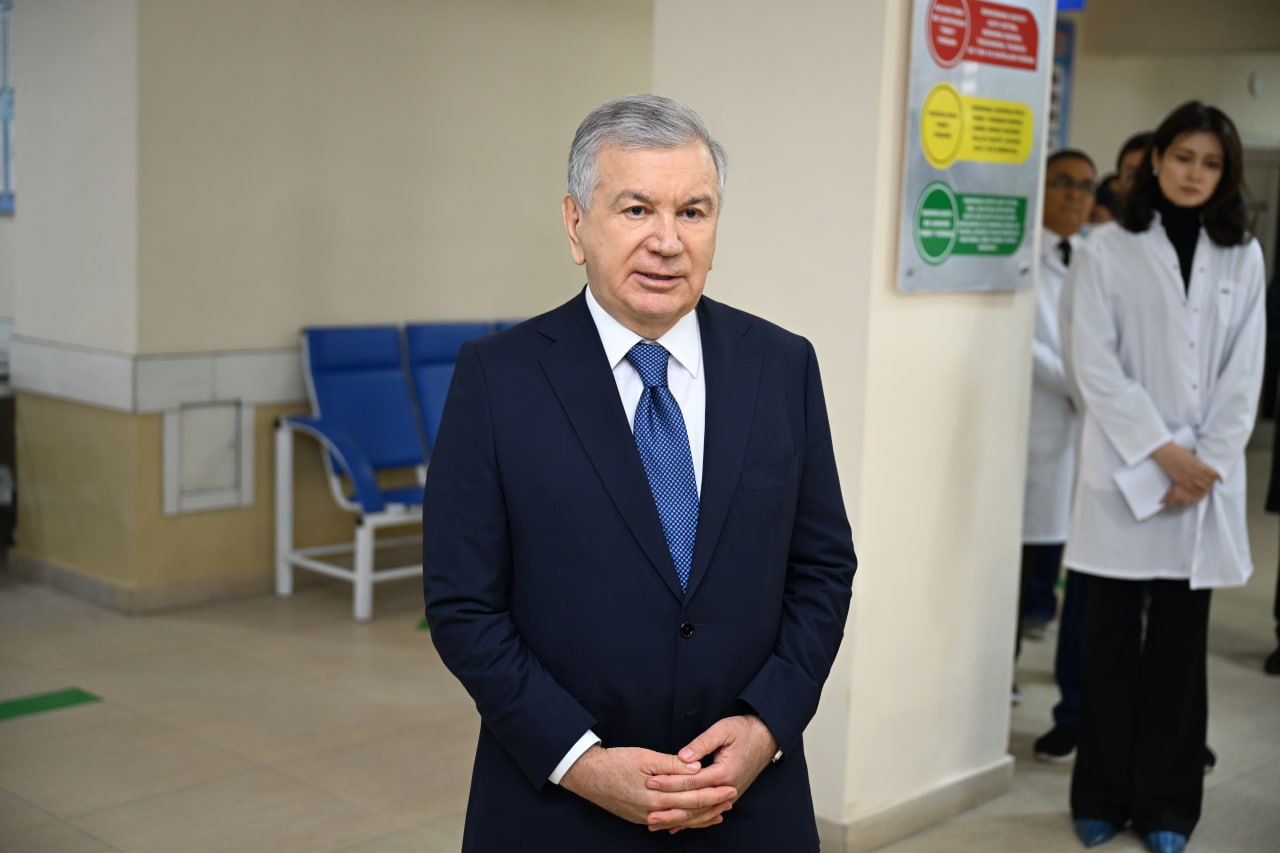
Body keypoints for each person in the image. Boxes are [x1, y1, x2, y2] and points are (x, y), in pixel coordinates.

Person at [421, 94, 858, 852]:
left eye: (693, 211)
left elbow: (822, 566)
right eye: (635, 209)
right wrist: (581, 761)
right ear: (575, 225)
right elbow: (463, 603)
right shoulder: (498, 378)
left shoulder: (781, 366)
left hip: (746, 804)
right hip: (558, 809)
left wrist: (766, 726)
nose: (667, 241)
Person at [1063, 102, 1265, 853]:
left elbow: (1245, 370)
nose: (1194, 174)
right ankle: (1100, 795)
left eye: (1211, 163)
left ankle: (1169, 807)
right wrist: (1162, 452)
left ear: (1226, 173)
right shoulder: (1107, 249)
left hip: (1202, 483)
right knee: (1110, 646)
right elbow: (1095, 364)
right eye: (1183, 157)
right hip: (1125, 474)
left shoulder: (1243, 255)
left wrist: (1202, 463)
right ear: (1156, 159)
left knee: (1179, 653)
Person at [1019, 149, 1095, 642]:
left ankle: (1040, 610)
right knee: (1024, 550)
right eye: (1063, 182)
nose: (1075, 195)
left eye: (1086, 187)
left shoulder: (1095, 259)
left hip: (1084, 425)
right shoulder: (1021, 255)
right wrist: (1080, 383)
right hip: (1039, 419)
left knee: (1061, 541)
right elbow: (1022, 339)